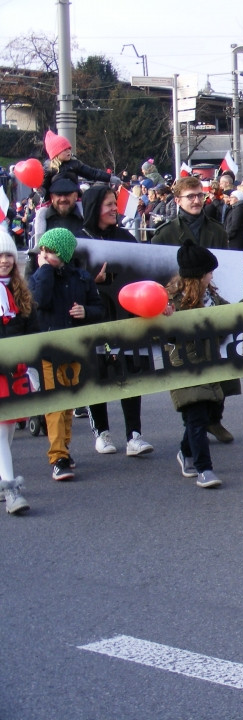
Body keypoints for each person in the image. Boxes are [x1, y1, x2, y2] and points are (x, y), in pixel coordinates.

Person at [76, 184, 156, 458]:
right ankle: (102, 432)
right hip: (94, 318)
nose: (114, 208)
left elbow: (142, 269)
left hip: (125, 314)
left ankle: (134, 435)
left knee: (129, 371)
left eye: (115, 203)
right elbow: (70, 285)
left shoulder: (125, 237)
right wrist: (91, 280)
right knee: (97, 372)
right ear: (94, 207)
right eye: (108, 204)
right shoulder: (79, 241)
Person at [28, 228, 103, 481]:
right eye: (43, 250)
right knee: (55, 404)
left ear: (65, 253)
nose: (45, 255)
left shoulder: (82, 278)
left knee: (68, 402)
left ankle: (64, 450)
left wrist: (86, 311)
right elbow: (40, 301)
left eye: (51, 251)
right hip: (49, 349)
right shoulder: (39, 275)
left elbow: (99, 308)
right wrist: (46, 270)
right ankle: (57, 455)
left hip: (74, 347)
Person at [165, 242, 237, 489]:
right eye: (208, 272)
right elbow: (156, 333)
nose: (212, 276)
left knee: (202, 416)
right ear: (198, 275)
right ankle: (204, 469)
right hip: (185, 365)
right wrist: (164, 318)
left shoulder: (211, 298)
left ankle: (185, 452)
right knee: (195, 416)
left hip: (209, 363)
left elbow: (232, 314)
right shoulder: (171, 301)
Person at [0, 229, 36, 514]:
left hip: (16, 370)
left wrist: (32, 367)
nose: (4, 260)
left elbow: (31, 331)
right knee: (1, 431)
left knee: (9, 429)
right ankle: (11, 488)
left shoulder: (20, 291)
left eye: (8, 254)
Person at [152, 176, 228, 249]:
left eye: (200, 195)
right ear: (178, 201)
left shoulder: (218, 231)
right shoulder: (164, 234)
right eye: (190, 196)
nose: (197, 201)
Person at [40, 130, 114, 199]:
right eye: (65, 149)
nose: (68, 151)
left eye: (69, 148)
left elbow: (92, 173)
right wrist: (40, 190)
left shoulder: (75, 163)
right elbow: (44, 188)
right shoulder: (48, 168)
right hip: (56, 202)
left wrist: (110, 178)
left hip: (74, 200)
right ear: (56, 153)